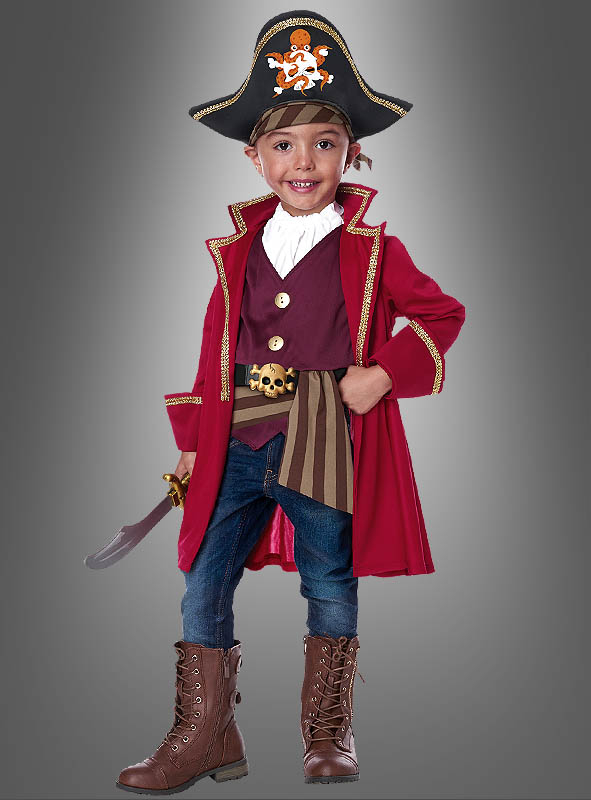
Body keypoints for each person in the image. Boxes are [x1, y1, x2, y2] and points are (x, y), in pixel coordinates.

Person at [116, 9, 466, 794]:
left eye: (323, 143)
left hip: (323, 438)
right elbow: (214, 348)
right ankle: (206, 734)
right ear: (254, 157)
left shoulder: (373, 249)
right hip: (236, 435)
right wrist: (192, 441)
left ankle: (326, 733)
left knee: (328, 578)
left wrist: (383, 373)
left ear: (350, 152)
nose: (302, 162)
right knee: (204, 577)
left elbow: (441, 315)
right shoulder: (236, 249)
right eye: (282, 145)